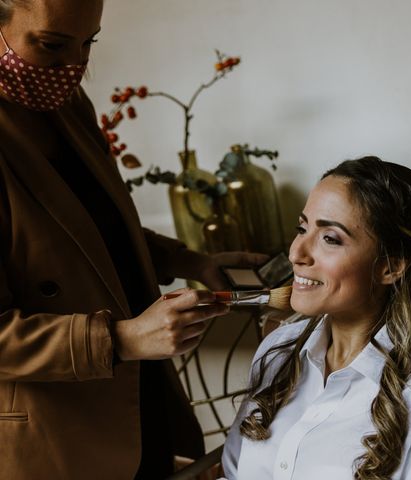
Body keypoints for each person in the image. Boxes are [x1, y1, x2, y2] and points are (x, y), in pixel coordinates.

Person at [0, 1, 266, 478]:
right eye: (52, 45)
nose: (73, 67)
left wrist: (186, 258)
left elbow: (86, 234)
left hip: (136, 405)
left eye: (88, 44)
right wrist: (118, 339)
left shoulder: (68, 105)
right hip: (57, 434)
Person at [221, 157, 411, 479]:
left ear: (390, 267)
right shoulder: (278, 352)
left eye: (330, 238)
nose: (296, 253)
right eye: (302, 228)